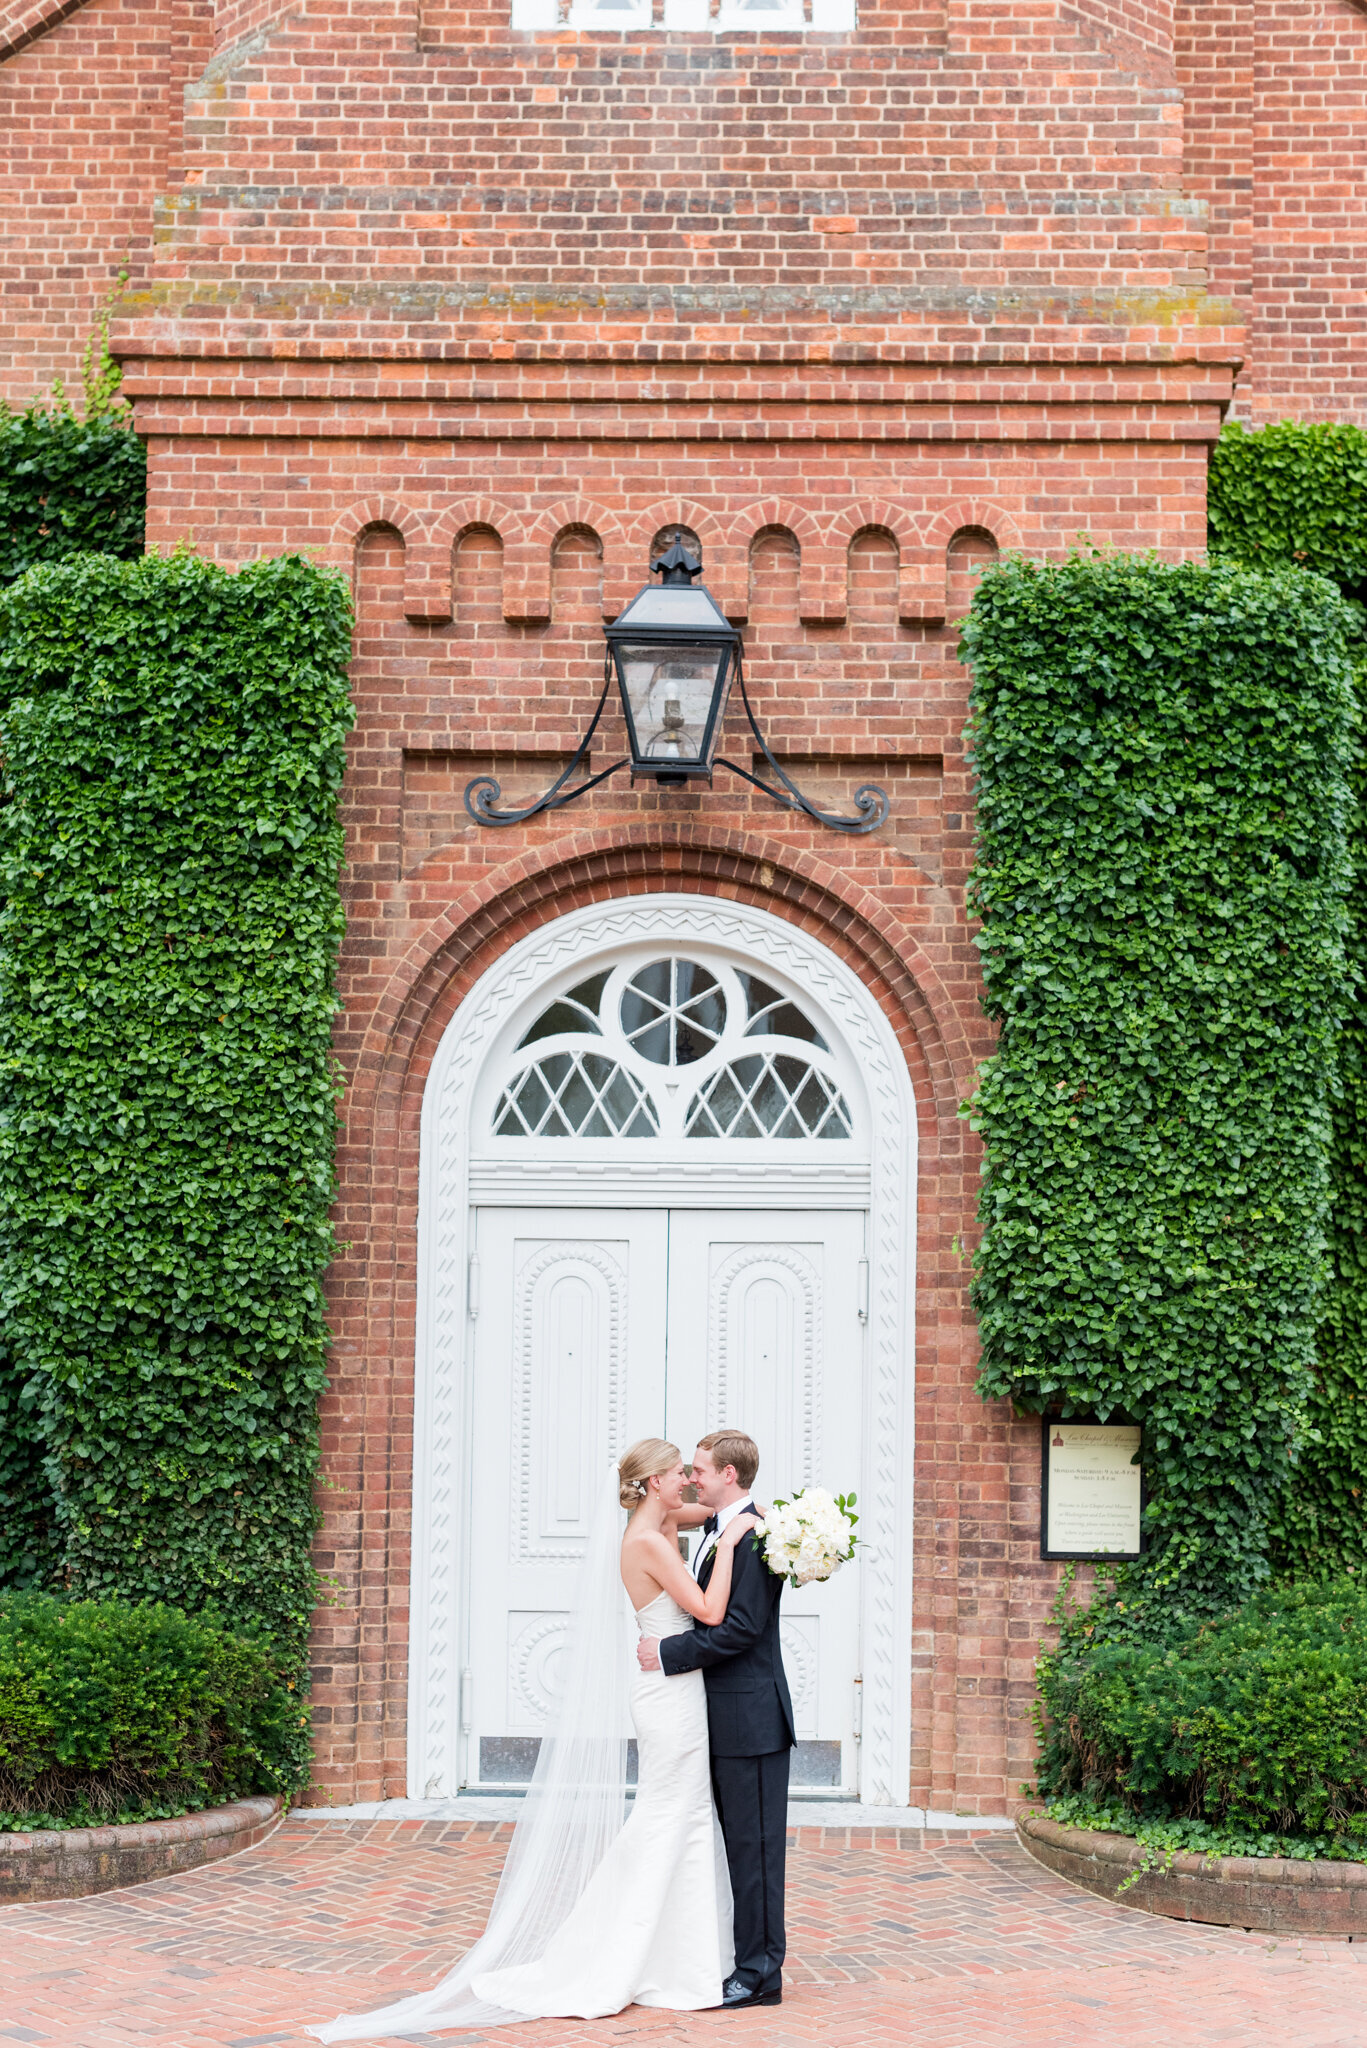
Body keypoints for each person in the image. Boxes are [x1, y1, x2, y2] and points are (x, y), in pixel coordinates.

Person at [307, 1438, 760, 2039]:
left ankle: (681, 1955)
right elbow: (706, 1610)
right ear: (653, 1483)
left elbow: (721, 1508)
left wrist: (747, 1512)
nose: (688, 1482)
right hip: (668, 1697)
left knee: (684, 1814)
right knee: (667, 1815)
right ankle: (625, 1953)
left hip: (676, 1690)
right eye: (680, 1474)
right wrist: (730, 1547)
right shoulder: (648, 1540)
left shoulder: (663, 1519)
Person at [637, 1429, 794, 2010]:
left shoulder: (754, 1536)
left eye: (700, 1468)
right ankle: (740, 1957)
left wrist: (668, 1654)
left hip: (750, 1719)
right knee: (734, 1850)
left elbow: (742, 1629)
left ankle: (759, 1975)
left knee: (755, 1851)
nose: (692, 1475)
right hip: (716, 1716)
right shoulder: (711, 1527)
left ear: (729, 1474)